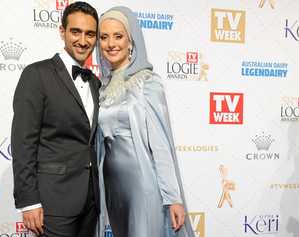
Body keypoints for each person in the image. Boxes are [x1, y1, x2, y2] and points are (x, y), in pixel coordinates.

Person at [95, 6, 195, 237]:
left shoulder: (147, 83)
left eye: (118, 36)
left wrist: (173, 198)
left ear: (131, 41)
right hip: (113, 187)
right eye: (104, 37)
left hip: (142, 182)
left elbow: (161, 144)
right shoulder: (102, 88)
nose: (111, 44)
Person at [11, 2, 101, 237]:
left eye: (90, 34)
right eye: (76, 31)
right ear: (62, 31)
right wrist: (29, 201)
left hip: (91, 201)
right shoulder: (36, 75)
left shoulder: (94, 82)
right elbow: (23, 143)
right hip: (53, 201)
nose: (83, 40)